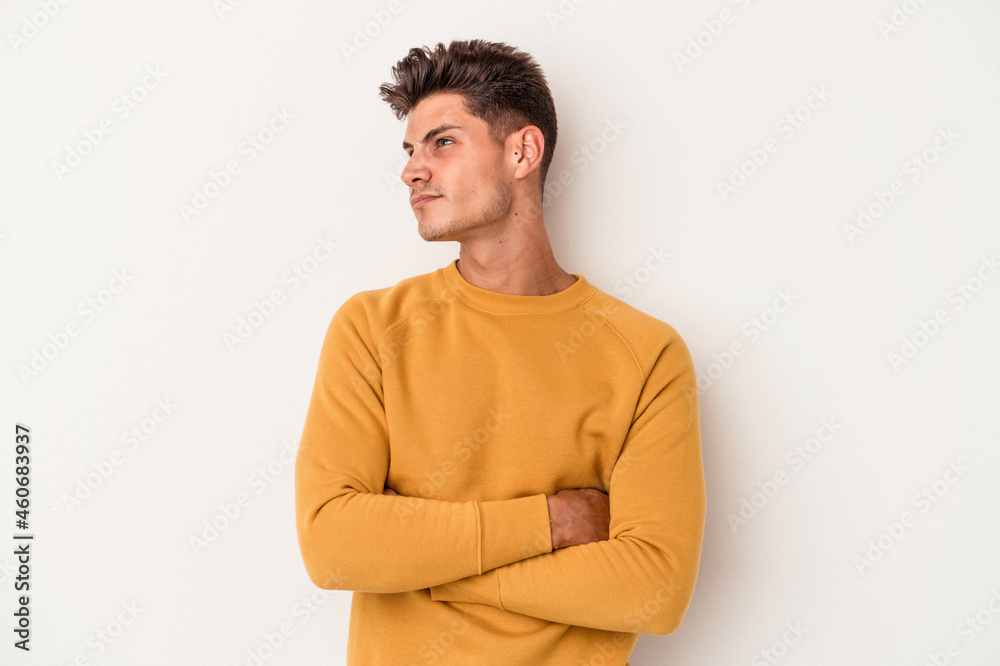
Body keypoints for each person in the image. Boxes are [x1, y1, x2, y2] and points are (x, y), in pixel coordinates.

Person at [294, 38, 706, 665]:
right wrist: (551, 523)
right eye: (409, 150)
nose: (412, 169)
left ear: (522, 151)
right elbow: (332, 546)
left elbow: (653, 589)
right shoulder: (373, 329)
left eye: (443, 142)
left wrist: (421, 562)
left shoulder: (646, 355)